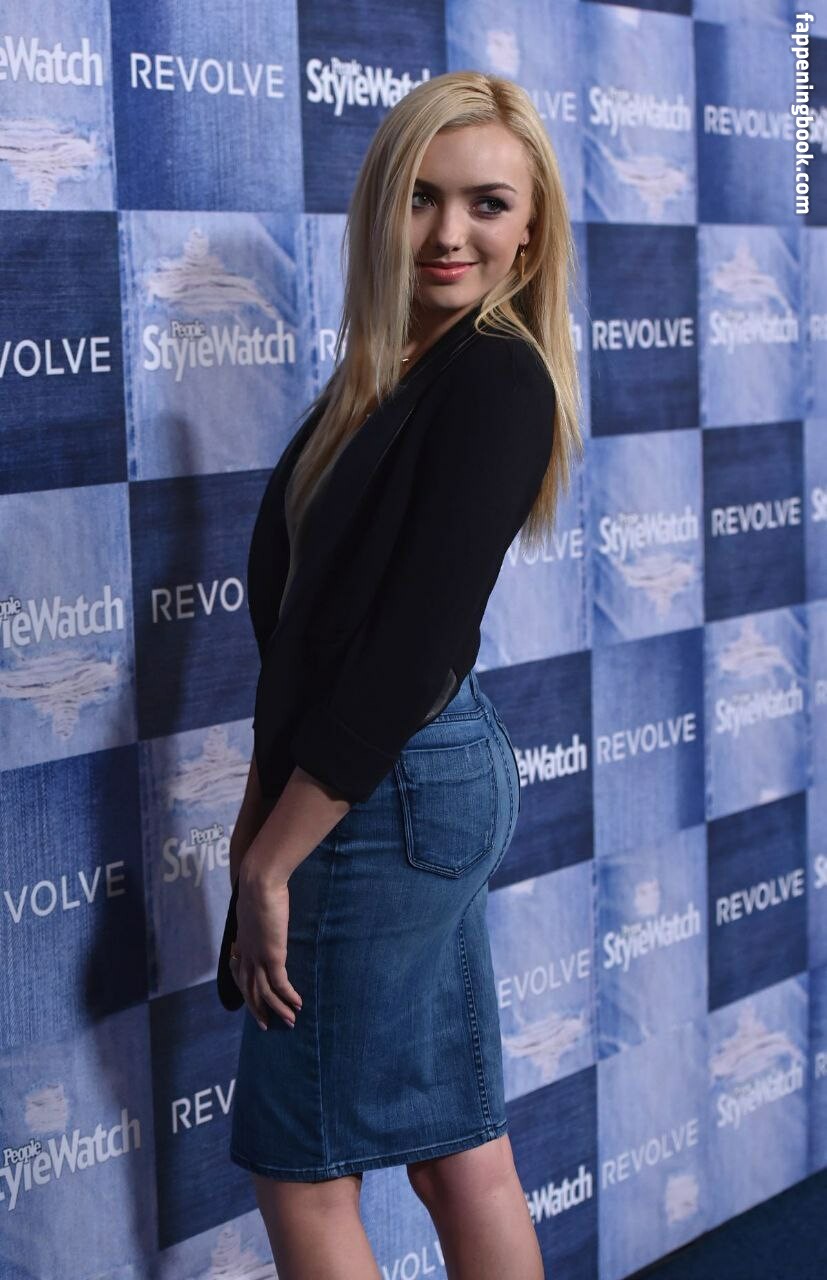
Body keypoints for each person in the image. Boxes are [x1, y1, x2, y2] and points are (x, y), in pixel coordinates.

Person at [221, 69, 583, 1280]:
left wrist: (271, 857)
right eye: (421, 197)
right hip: (390, 777)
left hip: (383, 783)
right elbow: (311, 633)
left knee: (304, 1164)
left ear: (530, 230)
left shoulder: (492, 375)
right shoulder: (393, 371)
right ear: (381, 205)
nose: (447, 233)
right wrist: (255, 812)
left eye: (486, 203)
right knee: (455, 1145)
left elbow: (404, 650)